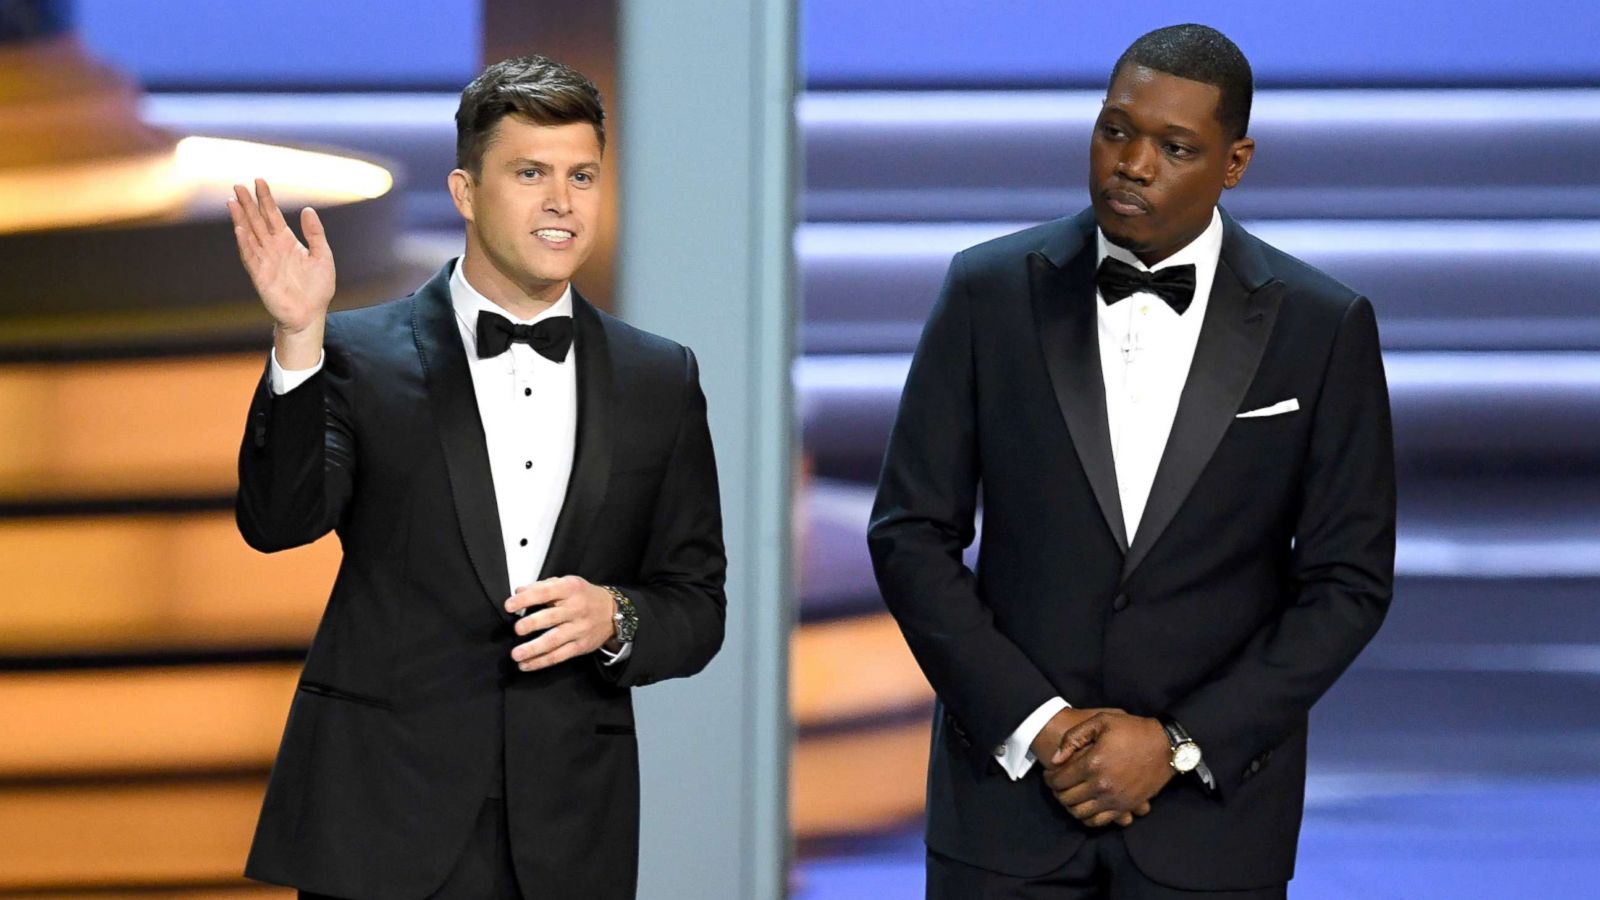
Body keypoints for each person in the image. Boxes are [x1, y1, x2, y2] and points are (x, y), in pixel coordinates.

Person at [868, 24, 1395, 898]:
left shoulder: (1321, 325)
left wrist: (1179, 744)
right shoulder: (988, 291)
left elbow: (1349, 583)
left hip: (1214, 827)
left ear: (1234, 163)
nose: (1133, 164)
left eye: (1175, 146)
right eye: (1117, 131)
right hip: (1007, 813)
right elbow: (910, 534)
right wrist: (1040, 726)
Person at [228, 55, 726, 899]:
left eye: (582, 176)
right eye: (530, 174)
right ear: (465, 192)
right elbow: (279, 521)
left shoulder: (659, 377)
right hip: (382, 817)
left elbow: (697, 604)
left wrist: (616, 613)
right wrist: (298, 342)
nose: (561, 203)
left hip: (570, 827)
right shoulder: (354, 353)